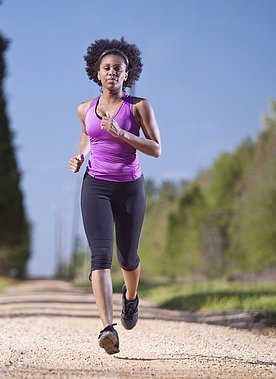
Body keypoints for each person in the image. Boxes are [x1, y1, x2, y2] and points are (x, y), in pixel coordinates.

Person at [68, 37, 161, 355]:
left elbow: (156, 149)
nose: (111, 73)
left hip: (130, 188)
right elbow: (87, 133)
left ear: (127, 74)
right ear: (96, 73)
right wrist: (79, 156)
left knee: (128, 257)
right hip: (95, 185)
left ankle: (131, 299)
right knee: (100, 257)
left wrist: (122, 133)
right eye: (106, 68)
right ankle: (107, 329)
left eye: (117, 69)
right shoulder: (85, 109)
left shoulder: (138, 107)